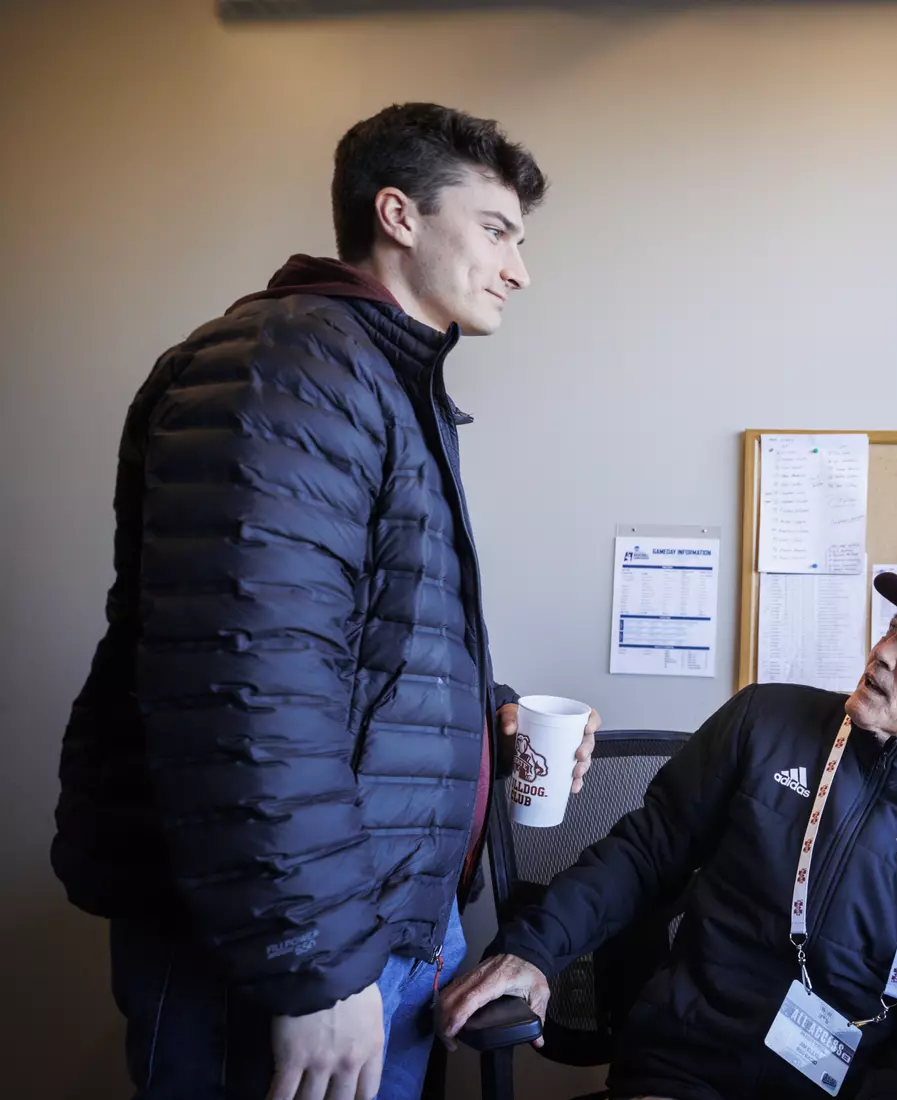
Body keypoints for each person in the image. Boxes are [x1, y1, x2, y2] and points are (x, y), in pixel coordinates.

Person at [50, 103, 598, 1100]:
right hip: (296, 944)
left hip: (367, 916)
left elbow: (349, 641)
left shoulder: (377, 378)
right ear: (398, 214)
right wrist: (317, 962)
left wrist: (486, 716)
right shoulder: (290, 372)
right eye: (497, 230)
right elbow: (249, 689)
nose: (520, 267)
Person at [439, 574, 897, 1100]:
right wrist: (535, 950)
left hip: (848, 1082)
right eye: (893, 630)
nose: (882, 652)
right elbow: (643, 854)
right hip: (689, 1055)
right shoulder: (766, 720)